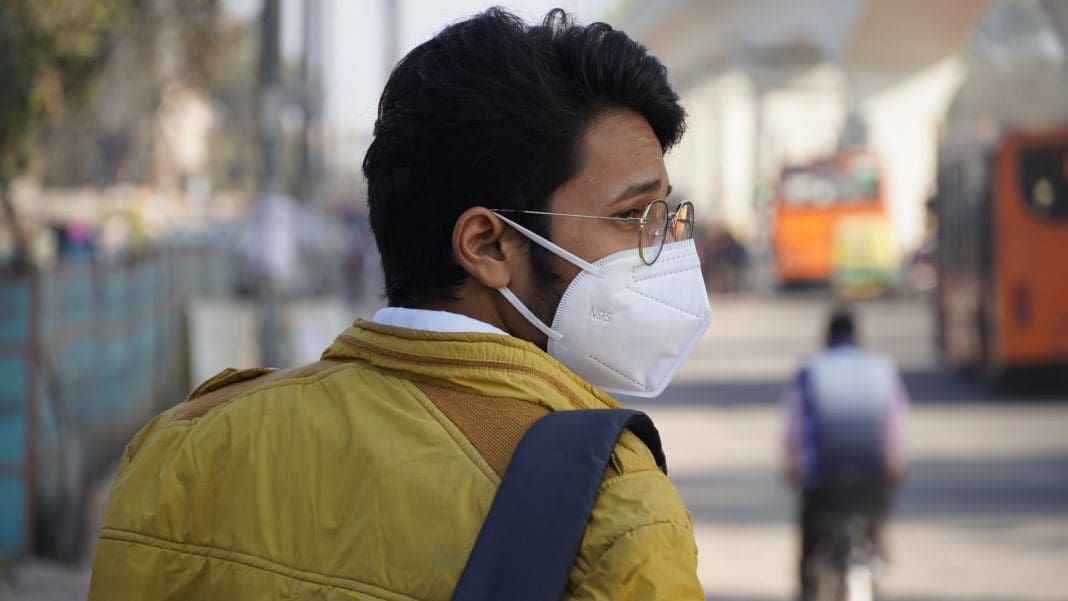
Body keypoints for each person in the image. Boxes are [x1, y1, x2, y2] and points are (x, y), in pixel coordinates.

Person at [88, 8, 711, 600]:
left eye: (667, 214)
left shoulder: (184, 448)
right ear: (488, 245)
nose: (667, 246)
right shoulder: (611, 506)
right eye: (633, 215)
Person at [782, 307, 910, 600]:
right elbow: (895, 429)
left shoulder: (809, 371)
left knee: (811, 540)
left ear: (826, 338)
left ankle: (808, 589)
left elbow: (794, 432)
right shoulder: (883, 368)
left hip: (824, 482)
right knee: (875, 518)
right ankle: (876, 553)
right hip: (872, 479)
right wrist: (894, 469)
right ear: (858, 337)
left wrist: (794, 469)